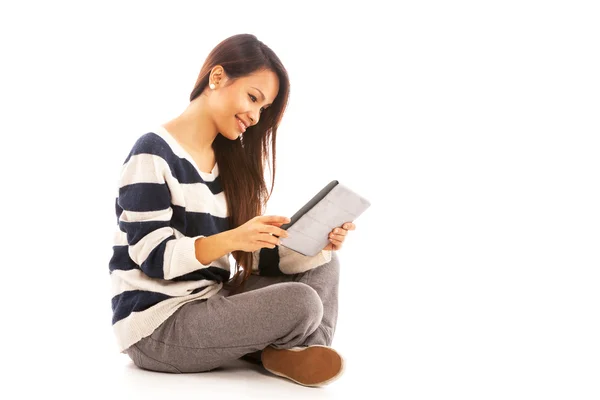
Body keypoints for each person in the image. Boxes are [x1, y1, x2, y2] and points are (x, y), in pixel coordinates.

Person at [108, 33, 356, 388]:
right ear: (217, 77)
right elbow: (153, 258)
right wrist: (234, 237)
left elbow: (249, 259)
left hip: (212, 302)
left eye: (263, 109)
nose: (255, 117)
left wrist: (313, 242)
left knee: (324, 265)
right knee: (302, 302)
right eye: (253, 98)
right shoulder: (152, 152)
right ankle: (281, 348)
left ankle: (301, 353)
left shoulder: (227, 165)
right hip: (159, 326)